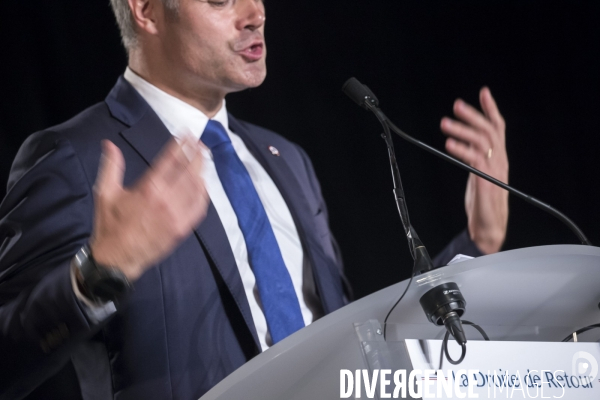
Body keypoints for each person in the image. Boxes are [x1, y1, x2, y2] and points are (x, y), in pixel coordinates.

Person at [0, 0, 508, 399]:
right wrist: (97, 275)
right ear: (147, 9)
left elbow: (356, 341)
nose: (256, 13)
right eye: (222, 0)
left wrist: (478, 245)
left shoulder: (286, 160)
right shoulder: (78, 158)